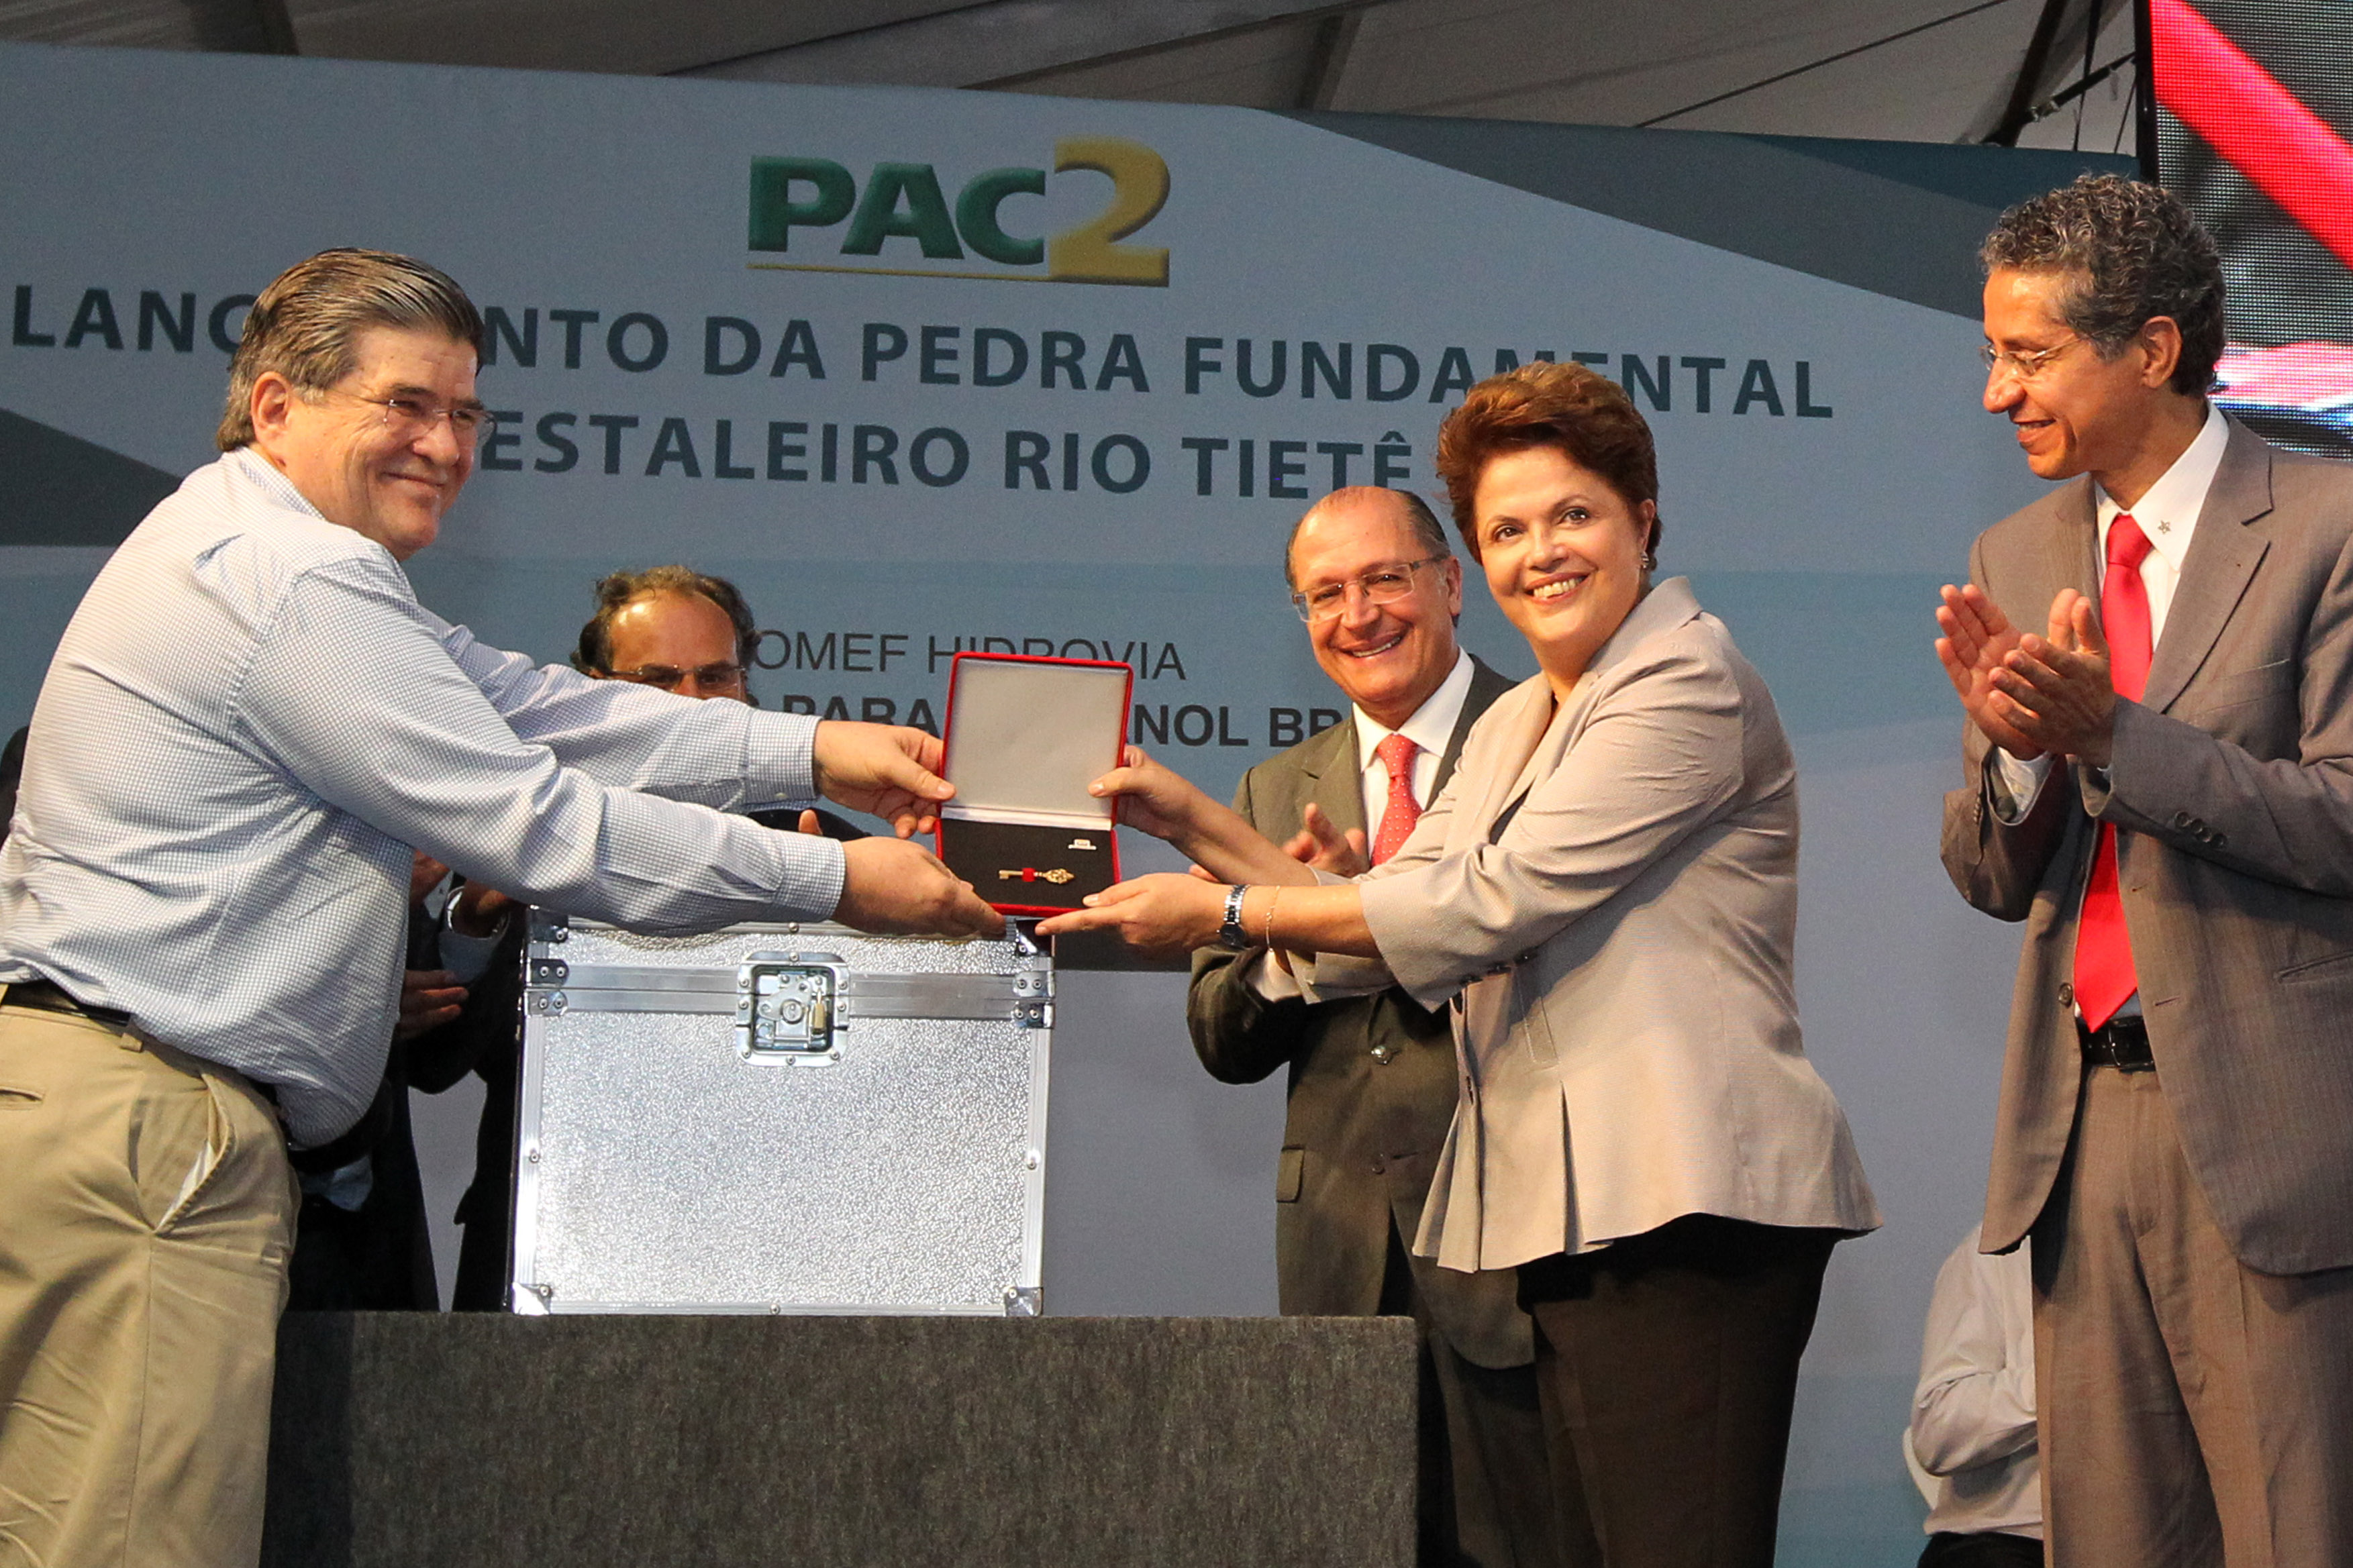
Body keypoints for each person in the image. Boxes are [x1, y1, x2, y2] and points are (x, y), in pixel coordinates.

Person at [0, 248, 997, 1568]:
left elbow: (542, 707)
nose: (445, 442)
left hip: (106, 1106)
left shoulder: (250, 543)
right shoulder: (294, 579)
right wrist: (837, 879)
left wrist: (814, 751)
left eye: (466, 411)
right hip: (151, 1125)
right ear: (279, 407)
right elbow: (539, 818)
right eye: (405, 404)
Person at [1043, 362, 1879, 1568]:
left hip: (1685, 1205)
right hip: (1570, 1213)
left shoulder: (1682, 675)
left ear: (1643, 519)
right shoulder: (1525, 715)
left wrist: (1223, 900)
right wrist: (1190, 820)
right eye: (1508, 528)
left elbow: (1484, 902)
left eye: (1572, 515)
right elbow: (1382, 904)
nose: (1540, 552)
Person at [1935, 172, 2353, 1566]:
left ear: (2154, 349)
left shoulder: (2326, 523)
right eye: (1992, 352)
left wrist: (2113, 734)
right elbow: (1994, 875)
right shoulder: (2019, 549)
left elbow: (2343, 819)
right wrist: (2015, 759)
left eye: (2028, 353)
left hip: (2272, 1132)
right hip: (2075, 1134)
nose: (1997, 393)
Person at [1189, 486, 1552, 1568]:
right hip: (1341, 1248)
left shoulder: (1547, 730)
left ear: (1451, 585)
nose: (1358, 615)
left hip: (1521, 1231)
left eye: (1385, 579)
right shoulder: (1273, 784)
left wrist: (1374, 922)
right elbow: (1220, 1032)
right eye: (1325, 595)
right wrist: (1304, 953)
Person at [435, 563, 867, 1311]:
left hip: (769, 1251)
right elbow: (437, 1064)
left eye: (714, 678)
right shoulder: (518, 839)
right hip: (545, 1246)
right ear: (590, 691)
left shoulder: (822, 851)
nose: (691, 706)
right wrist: (477, 921)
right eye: (658, 681)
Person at [1908, 1225, 2040, 1567]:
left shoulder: (2189, 1249)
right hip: (2010, 1540)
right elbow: (1938, 1432)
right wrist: (2066, 1376)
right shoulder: (1998, 1249)